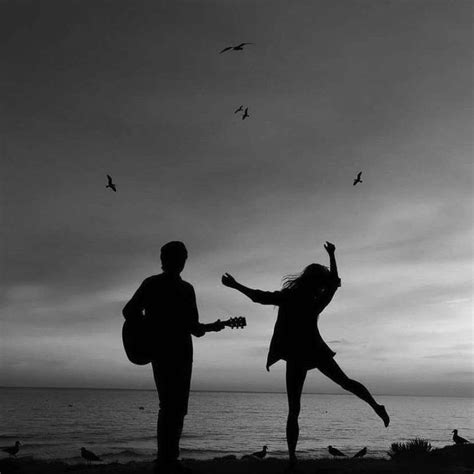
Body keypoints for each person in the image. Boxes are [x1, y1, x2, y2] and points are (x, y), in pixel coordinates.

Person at [221, 242, 389, 468]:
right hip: (308, 352)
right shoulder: (314, 301)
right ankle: (375, 407)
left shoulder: (294, 297)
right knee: (335, 388)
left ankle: (292, 457)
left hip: (302, 354)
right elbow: (332, 284)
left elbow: (259, 297)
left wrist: (235, 285)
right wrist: (332, 256)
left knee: (295, 409)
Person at [123, 241, 224, 473]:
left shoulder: (153, 284)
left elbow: (130, 312)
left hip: (164, 352)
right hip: (175, 352)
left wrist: (149, 328)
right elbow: (195, 329)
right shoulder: (184, 289)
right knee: (174, 407)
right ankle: (167, 460)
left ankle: (166, 459)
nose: (180, 262)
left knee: (170, 406)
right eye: (178, 258)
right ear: (172, 260)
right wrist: (152, 330)